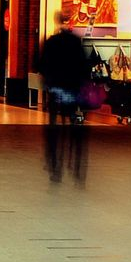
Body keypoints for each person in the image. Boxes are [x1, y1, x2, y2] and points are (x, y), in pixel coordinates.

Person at [39, 11, 90, 184]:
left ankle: (54, 164)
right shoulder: (76, 42)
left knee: (53, 126)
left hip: (55, 89)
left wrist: (47, 84)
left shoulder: (51, 42)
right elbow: (84, 67)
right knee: (75, 123)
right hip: (73, 89)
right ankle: (76, 165)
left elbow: (42, 66)